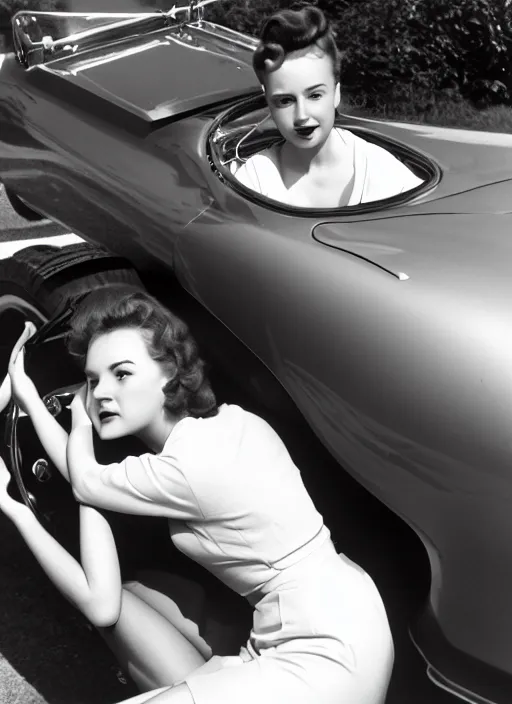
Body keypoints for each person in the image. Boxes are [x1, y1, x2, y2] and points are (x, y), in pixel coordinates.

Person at [1, 287, 394, 704]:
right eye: (92, 380)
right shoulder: (230, 424)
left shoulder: (187, 469)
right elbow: (90, 481)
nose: (99, 393)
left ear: (169, 371)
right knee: (137, 595)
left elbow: (86, 482)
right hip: (348, 617)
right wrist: (29, 396)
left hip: (322, 658)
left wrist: (79, 418)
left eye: (122, 374)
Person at [233, 5, 423, 208]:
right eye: (285, 101)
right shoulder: (256, 180)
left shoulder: (383, 172)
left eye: (314, 95)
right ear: (269, 103)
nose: (302, 116)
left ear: (336, 93)